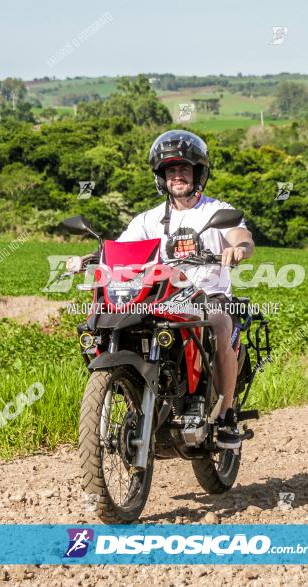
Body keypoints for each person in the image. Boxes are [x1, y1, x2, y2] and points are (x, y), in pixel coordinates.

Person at [68, 130, 254, 449]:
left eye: (184, 169)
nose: (177, 176)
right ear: (161, 177)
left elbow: (239, 234)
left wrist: (240, 248)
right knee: (104, 319)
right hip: (162, 296)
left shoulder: (214, 210)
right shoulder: (149, 219)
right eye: (170, 170)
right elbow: (121, 249)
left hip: (208, 296)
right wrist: (90, 258)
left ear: (198, 173)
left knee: (222, 323)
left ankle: (225, 417)